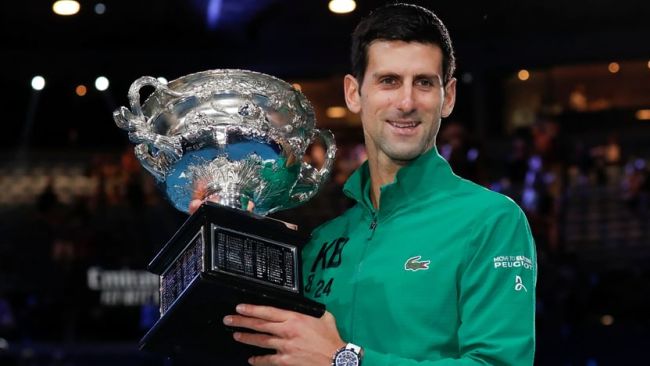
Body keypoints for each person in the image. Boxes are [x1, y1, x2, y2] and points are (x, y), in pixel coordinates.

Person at [221, 3, 537, 365]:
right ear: (354, 93)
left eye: (423, 83)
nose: (406, 102)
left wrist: (344, 359)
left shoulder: (491, 220)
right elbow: (250, 335)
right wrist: (226, 230)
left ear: (447, 97)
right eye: (388, 81)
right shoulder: (322, 242)